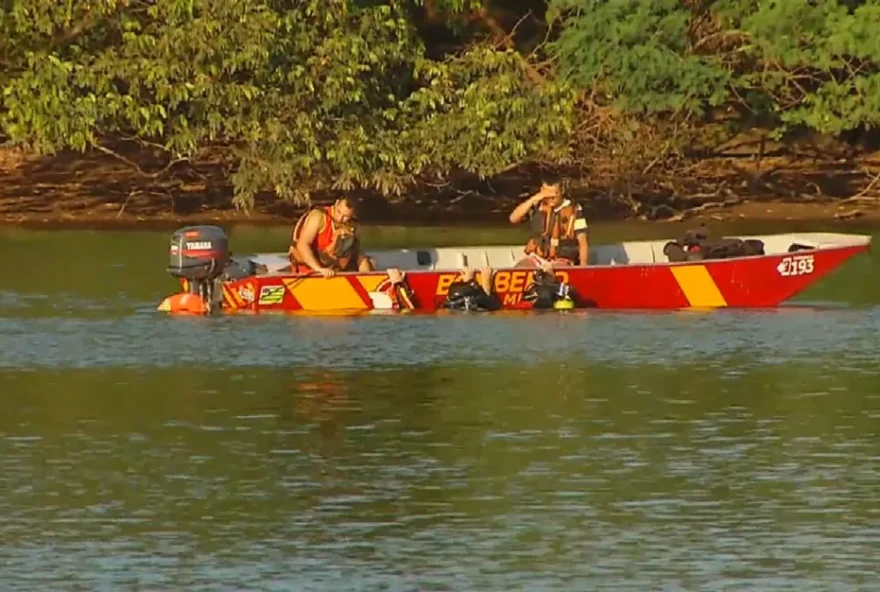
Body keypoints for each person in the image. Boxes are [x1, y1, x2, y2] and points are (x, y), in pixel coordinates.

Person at [288, 196, 375, 278]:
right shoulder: (318, 217)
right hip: (310, 267)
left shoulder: (352, 226)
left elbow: (356, 253)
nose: (340, 218)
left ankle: (367, 285)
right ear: (336, 203)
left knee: (365, 260)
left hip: (332, 267)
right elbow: (302, 245)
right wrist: (318, 269)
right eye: (339, 212)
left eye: (346, 216)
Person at [508, 180, 589, 267]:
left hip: (562, 259)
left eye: (555, 194)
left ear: (562, 191)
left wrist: (583, 267)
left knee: (552, 270)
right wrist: (534, 199)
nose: (551, 198)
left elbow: (583, 242)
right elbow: (513, 218)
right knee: (520, 268)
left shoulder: (574, 209)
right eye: (547, 194)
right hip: (537, 257)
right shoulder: (538, 205)